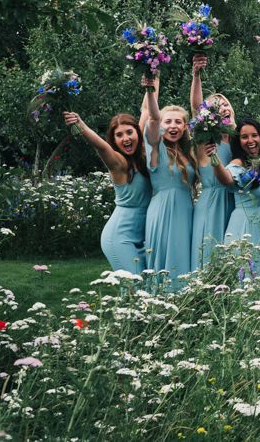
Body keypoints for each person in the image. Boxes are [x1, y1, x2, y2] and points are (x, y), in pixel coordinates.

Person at [64, 111, 151, 273]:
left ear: (138, 133)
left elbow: (146, 110)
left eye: (129, 132)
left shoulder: (143, 158)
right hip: (119, 237)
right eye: (119, 135)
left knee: (144, 288)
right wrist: (80, 124)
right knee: (136, 286)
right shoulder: (119, 164)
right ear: (114, 140)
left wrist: (152, 86)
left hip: (141, 238)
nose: (126, 138)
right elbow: (101, 146)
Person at [143, 77, 197, 290]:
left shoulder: (186, 153)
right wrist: (150, 89)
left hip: (185, 210)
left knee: (182, 257)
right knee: (166, 259)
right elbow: (152, 121)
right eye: (168, 121)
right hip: (163, 210)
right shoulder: (156, 148)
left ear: (185, 127)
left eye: (178, 122)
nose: (173, 126)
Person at [189, 53, 236, 270]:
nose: (224, 108)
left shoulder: (238, 139)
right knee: (209, 257)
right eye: (217, 106)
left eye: (226, 104)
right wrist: (196, 75)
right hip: (212, 203)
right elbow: (197, 107)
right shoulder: (207, 138)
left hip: (234, 203)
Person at [213, 118, 260, 275]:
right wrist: (214, 160)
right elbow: (227, 179)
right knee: (247, 273)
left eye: (254, 135)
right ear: (238, 141)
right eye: (244, 137)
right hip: (246, 223)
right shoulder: (238, 163)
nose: (251, 140)